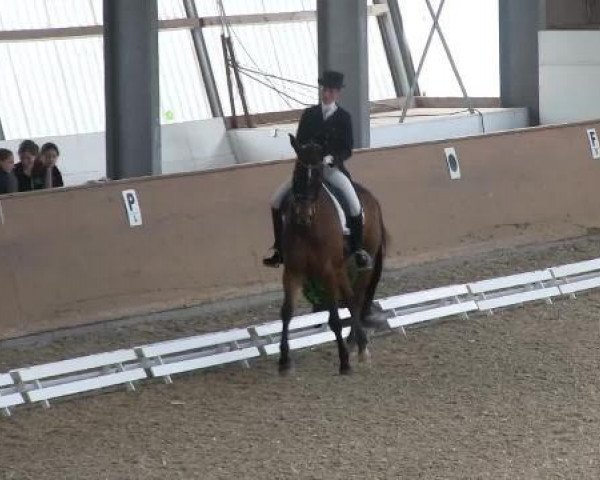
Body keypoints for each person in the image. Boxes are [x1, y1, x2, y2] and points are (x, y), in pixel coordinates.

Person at [263, 70, 373, 270]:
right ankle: (279, 249)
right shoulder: (309, 115)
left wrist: (332, 158)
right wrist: (305, 154)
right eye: (325, 90)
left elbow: (347, 148)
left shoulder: (343, 118)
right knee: (276, 200)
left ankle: (357, 251)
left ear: (337, 93)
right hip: (307, 169)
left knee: (354, 204)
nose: (327, 94)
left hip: (330, 169)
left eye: (331, 91)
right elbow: (301, 140)